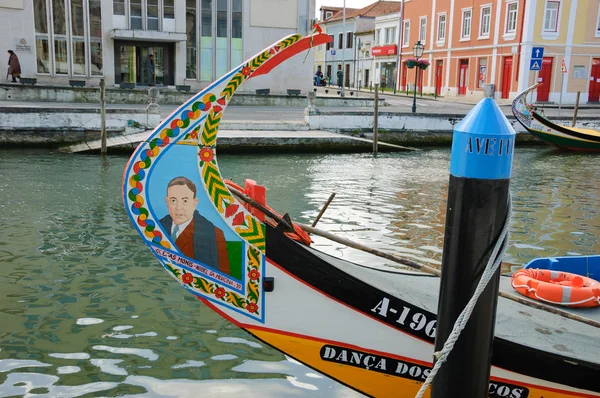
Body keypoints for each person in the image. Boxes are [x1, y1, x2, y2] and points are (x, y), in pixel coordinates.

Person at [160, 176, 231, 275]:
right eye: (173, 201)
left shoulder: (214, 233)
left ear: (194, 203)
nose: (178, 207)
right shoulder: (158, 226)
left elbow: (224, 276)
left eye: (185, 201)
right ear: (166, 201)